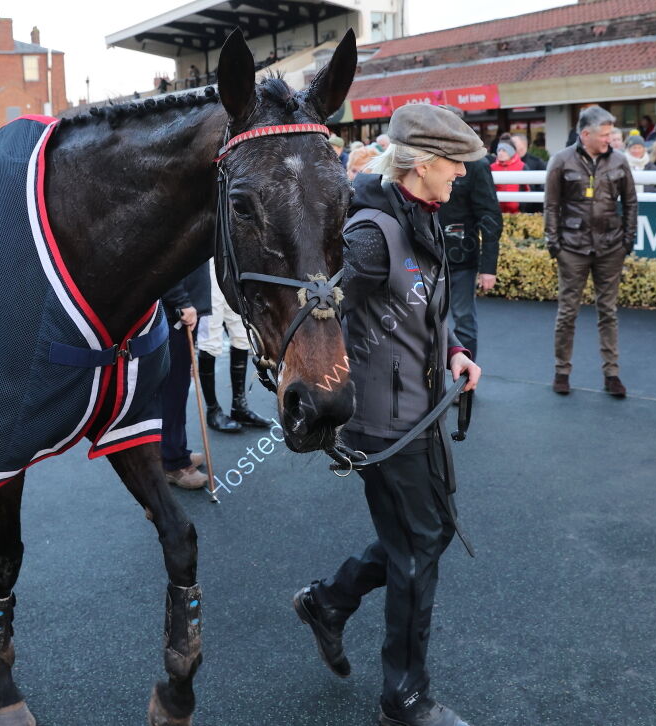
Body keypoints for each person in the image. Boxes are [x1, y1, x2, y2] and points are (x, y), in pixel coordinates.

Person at [293, 103, 483, 726]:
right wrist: (320, 402)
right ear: (422, 164)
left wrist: (453, 351)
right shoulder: (371, 235)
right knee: (418, 548)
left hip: (419, 412)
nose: (462, 173)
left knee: (424, 535)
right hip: (384, 423)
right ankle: (404, 698)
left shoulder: (421, 213)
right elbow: (317, 318)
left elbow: (425, 304)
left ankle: (329, 600)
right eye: (454, 163)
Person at [544, 105, 637, 398]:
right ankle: (562, 371)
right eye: (605, 134)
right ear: (586, 134)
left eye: (611, 134)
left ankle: (612, 374)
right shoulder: (561, 161)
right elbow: (551, 205)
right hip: (572, 248)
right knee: (567, 312)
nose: (610, 139)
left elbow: (631, 203)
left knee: (608, 311)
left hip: (611, 247)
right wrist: (554, 244)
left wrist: (628, 240)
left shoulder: (619, 160)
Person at [440, 109, 504, 361]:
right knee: (422, 320)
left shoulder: (476, 164)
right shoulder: (422, 161)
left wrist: (488, 267)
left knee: (464, 321)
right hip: (423, 257)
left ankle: (466, 379)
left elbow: (490, 216)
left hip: (461, 260)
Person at [196, 265, 271, 432]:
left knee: (241, 336)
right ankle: (213, 410)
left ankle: (239, 406)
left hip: (230, 269)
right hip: (207, 269)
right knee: (210, 341)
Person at [160, 264, 210, 489]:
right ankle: (172, 462)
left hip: (182, 310)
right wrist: (181, 302)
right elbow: (166, 262)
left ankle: (177, 450)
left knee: (178, 388)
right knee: (173, 389)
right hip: (177, 312)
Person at [511, 133, 546, 212]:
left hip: (532, 210)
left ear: (523, 144)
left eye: (513, 143)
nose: (509, 145)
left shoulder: (537, 163)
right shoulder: (505, 162)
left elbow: (542, 188)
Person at [489, 140, 525, 214]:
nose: (500, 153)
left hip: (518, 213)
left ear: (511, 152)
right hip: (496, 212)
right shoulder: (491, 167)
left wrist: (522, 207)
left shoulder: (522, 166)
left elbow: (528, 189)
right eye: (499, 150)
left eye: (504, 150)